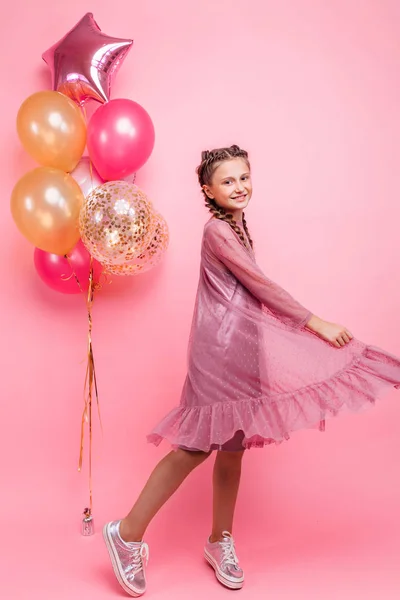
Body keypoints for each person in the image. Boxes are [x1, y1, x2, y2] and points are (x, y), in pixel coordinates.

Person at [103, 145, 400, 597]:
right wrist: (313, 322)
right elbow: (260, 285)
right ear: (208, 190)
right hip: (217, 351)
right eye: (227, 181)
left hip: (245, 347)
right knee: (195, 447)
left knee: (234, 447)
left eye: (244, 177)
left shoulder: (238, 224)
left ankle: (219, 540)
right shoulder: (216, 231)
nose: (239, 186)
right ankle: (126, 534)